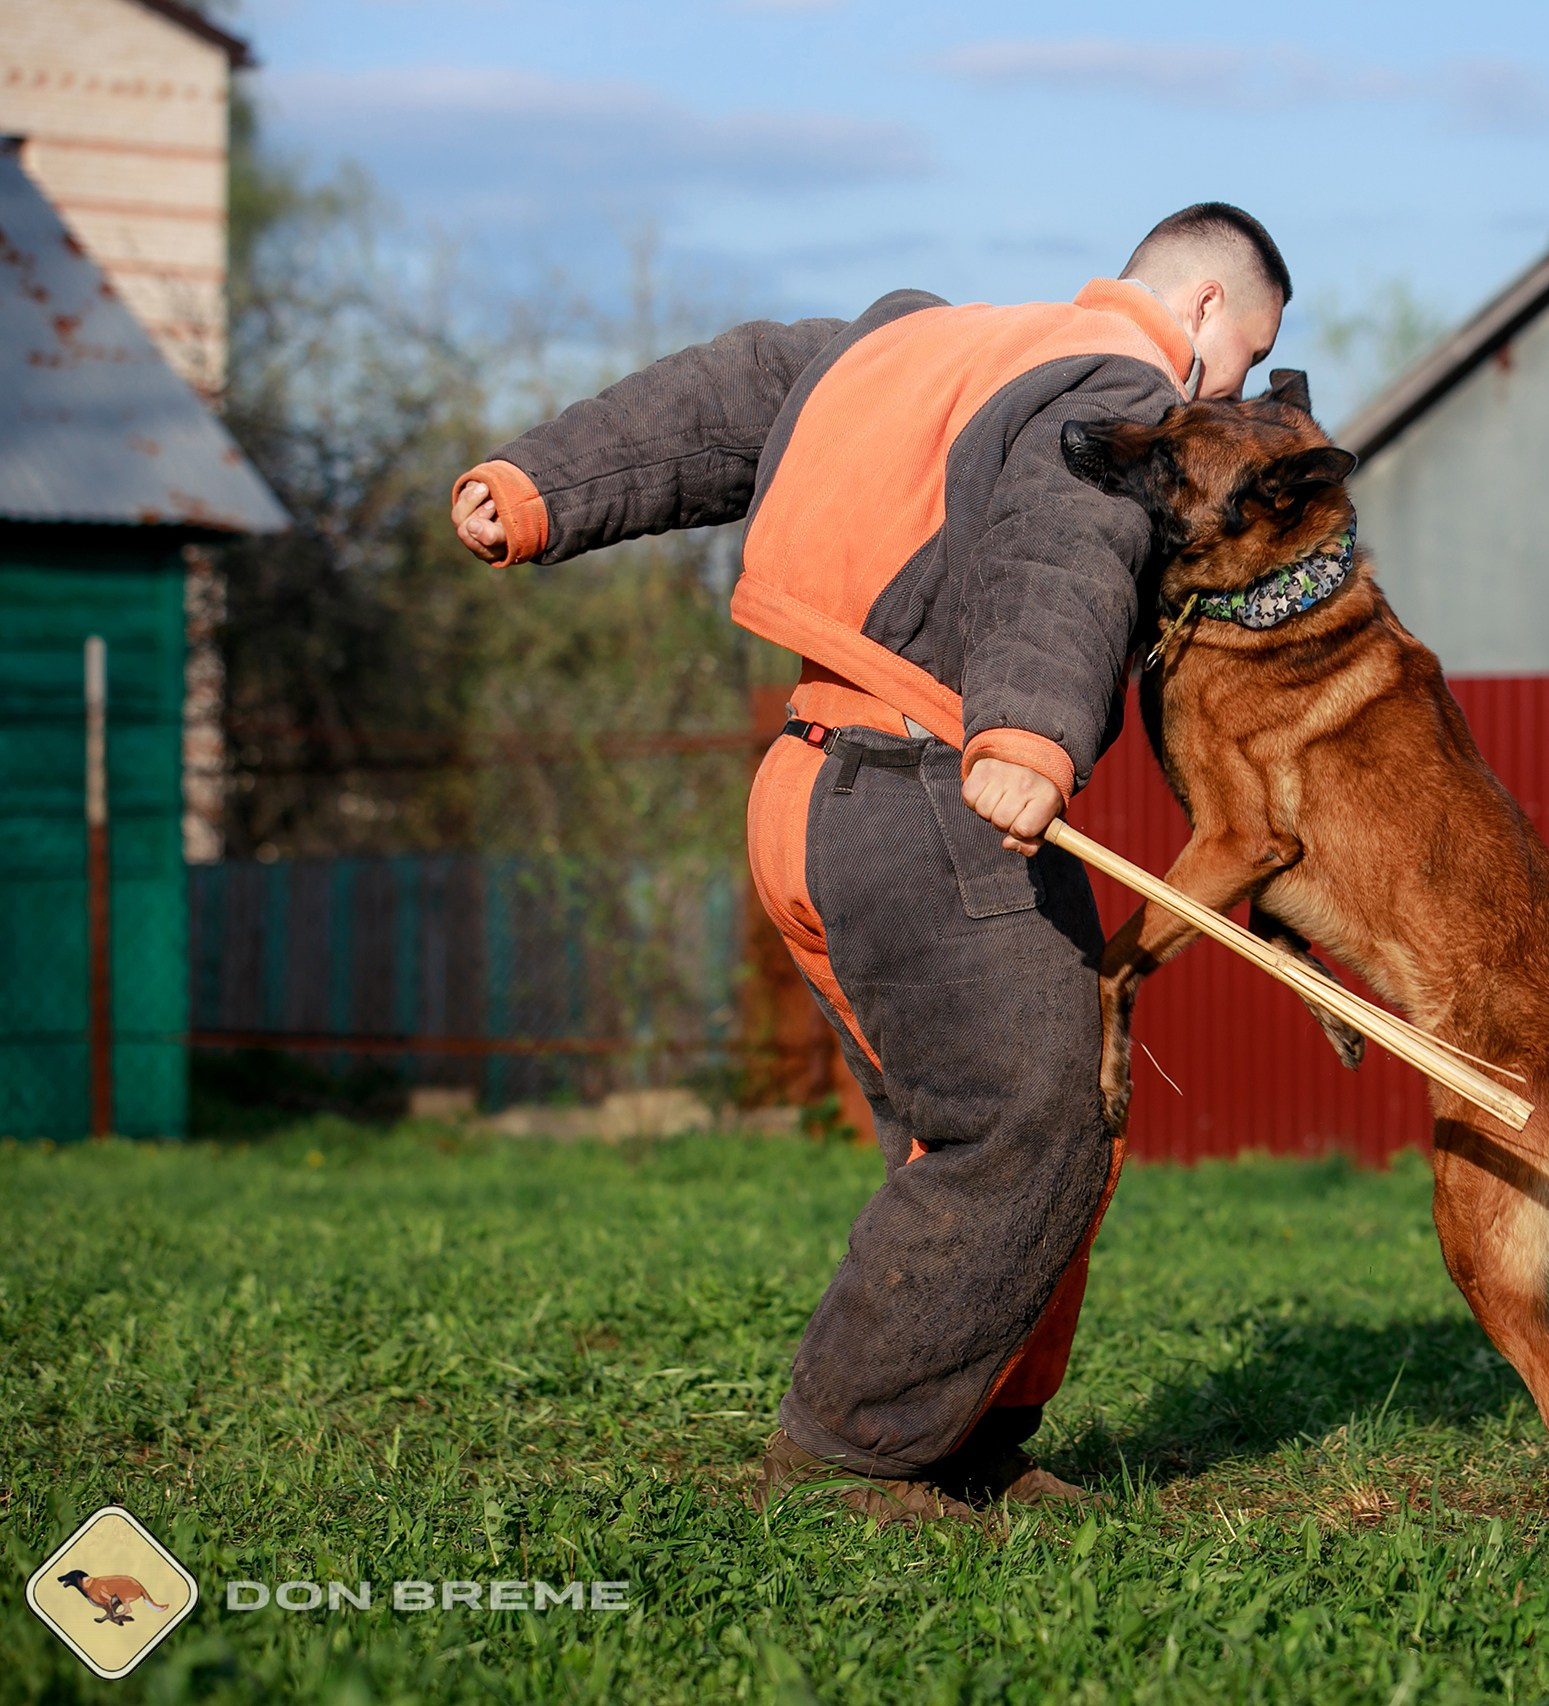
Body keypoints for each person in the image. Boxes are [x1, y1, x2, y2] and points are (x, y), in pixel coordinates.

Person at [449, 204, 1291, 1521]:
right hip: (935, 790)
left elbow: (725, 398)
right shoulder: (1119, 385)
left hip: (808, 788)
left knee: (981, 1119)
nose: (1220, 401)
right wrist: (1030, 724)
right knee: (1030, 1115)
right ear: (1197, 313)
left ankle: (963, 1430)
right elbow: (1065, 540)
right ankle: (854, 1449)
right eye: (1241, 361)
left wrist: (541, 484)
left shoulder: (916, 341)